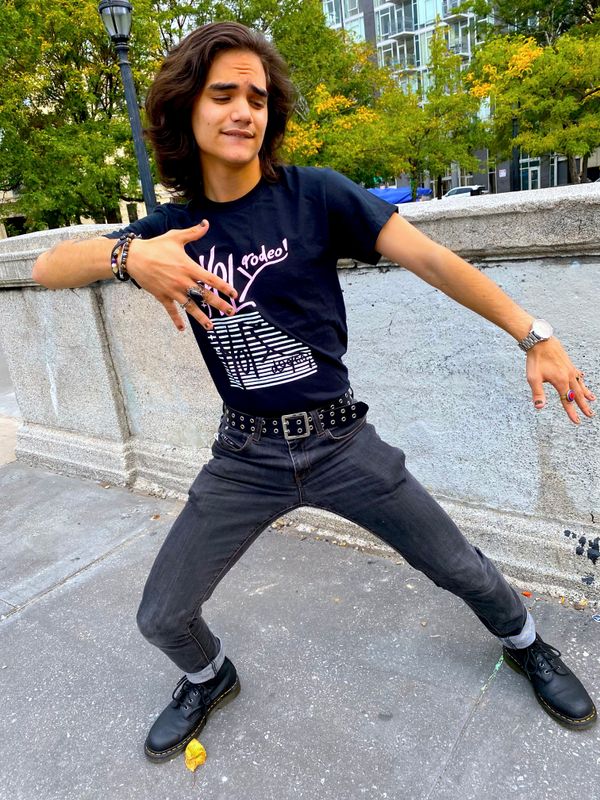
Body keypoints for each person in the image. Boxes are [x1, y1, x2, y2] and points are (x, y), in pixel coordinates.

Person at [33, 21, 597, 762]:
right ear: (186, 109)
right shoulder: (171, 232)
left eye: (257, 98)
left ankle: (526, 644)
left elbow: (431, 260)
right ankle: (209, 676)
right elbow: (45, 268)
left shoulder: (315, 196)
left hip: (340, 443)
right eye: (223, 95)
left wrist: (534, 333)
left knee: (458, 565)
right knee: (161, 616)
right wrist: (127, 255)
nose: (244, 111)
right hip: (245, 457)